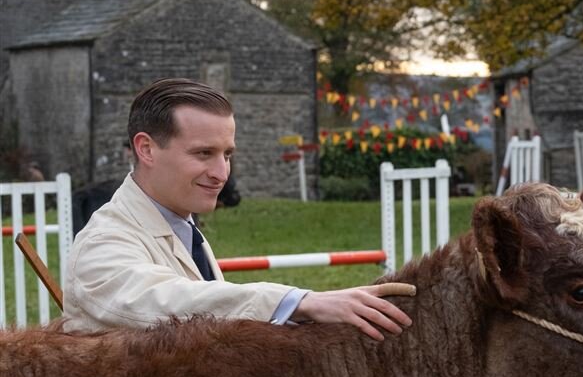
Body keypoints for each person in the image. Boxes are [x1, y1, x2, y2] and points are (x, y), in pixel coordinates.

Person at [62, 78, 411, 339]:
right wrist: (299, 302)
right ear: (147, 149)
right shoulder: (103, 243)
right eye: (203, 154)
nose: (221, 174)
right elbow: (166, 303)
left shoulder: (181, 229)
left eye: (227, 154)